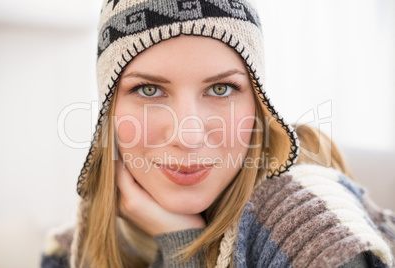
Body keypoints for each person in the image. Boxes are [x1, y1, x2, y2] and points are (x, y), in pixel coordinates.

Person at [42, 0, 395, 267]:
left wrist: (181, 243)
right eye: (149, 90)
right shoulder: (71, 249)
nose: (189, 134)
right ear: (110, 109)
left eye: (222, 89)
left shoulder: (311, 222)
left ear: (258, 104)